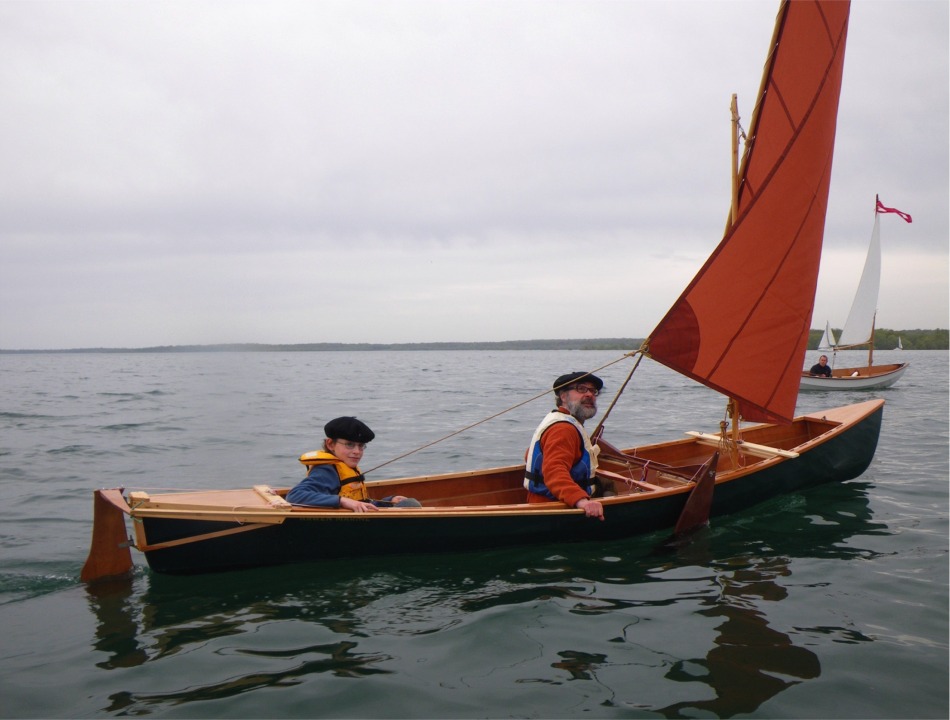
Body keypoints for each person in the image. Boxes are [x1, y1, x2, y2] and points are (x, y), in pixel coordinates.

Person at [287, 416, 421, 512]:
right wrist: (343, 501)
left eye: (361, 446)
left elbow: (361, 502)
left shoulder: (345, 467)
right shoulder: (327, 471)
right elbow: (294, 495)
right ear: (330, 444)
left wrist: (387, 501)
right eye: (349, 445)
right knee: (412, 505)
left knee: (406, 503)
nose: (357, 451)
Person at [524, 372, 606, 521]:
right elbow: (553, 470)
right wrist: (581, 500)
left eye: (593, 391)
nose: (589, 395)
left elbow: (534, 455)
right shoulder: (564, 429)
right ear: (563, 396)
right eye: (581, 389)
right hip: (554, 510)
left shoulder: (559, 419)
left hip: (545, 502)